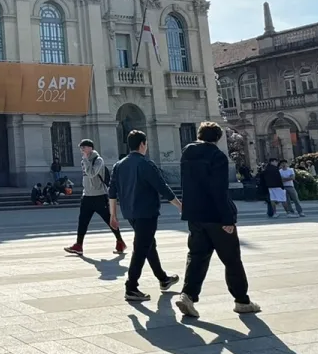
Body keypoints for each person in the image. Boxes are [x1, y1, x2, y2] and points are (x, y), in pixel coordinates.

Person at [175, 122, 260, 318]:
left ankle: (187, 295)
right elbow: (219, 190)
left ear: (199, 135)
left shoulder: (187, 153)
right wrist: (228, 219)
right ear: (218, 138)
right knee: (231, 259)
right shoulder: (217, 156)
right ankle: (242, 301)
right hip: (215, 216)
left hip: (194, 215)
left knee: (196, 256)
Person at [108, 130, 182, 301]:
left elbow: (112, 192)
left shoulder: (119, 165)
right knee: (141, 248)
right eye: (146, 144)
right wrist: (179, 205)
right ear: (142, 144)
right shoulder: (146, 164)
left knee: (148, 244)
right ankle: (131, 287)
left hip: (129, 213)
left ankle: (163, 278)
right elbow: (162, 188)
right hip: (146, 212)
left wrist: (113, 215)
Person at [64, 139, 126, 257]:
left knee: (109, 220)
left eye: (84, 147)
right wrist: (85, 160)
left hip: (99, 196)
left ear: (90, 148)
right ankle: (78, 245)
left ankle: (120, 242)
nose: (82, 150)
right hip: (87, 196)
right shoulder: (84, 161)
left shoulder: (98, 160)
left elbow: (91, 173)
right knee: (82, 221)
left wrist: (86, 160)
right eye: (81, 148)